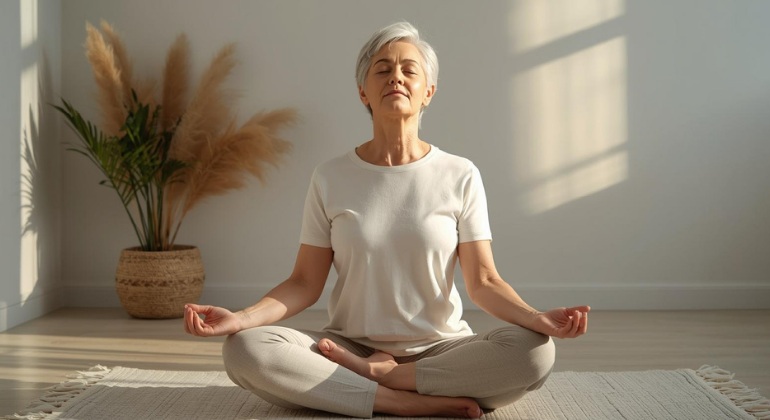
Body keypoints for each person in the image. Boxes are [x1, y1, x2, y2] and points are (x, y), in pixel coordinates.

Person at [184, 21, 590, 419]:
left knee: (535, 352)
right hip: (347, 348)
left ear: (428, 91)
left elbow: (483, 282)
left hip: (440, 350)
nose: (396, 76)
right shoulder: (330, 176)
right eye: (383, 69)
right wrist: (240, 319)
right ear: (364, 91)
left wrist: (535, 317)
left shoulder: (460, 174)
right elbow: (304, 283)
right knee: (244, 349)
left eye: (409, 69)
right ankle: (397, 400)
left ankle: (388, 382)